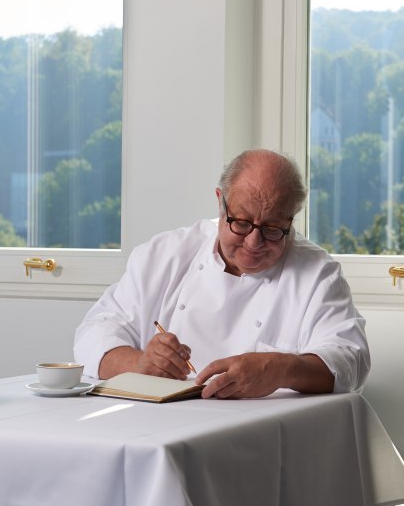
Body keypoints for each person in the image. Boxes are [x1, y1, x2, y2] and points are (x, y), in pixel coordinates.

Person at [73, 149, 370, 399]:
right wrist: (139, 364)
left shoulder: (318, 273)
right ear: (220, 201)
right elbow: (92, 333)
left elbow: (350, 360)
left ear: (290, 219)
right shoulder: (165, 254)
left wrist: (280, 369)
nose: (254, 242)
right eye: (241, 222)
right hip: (155, 424)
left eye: (271, 229)